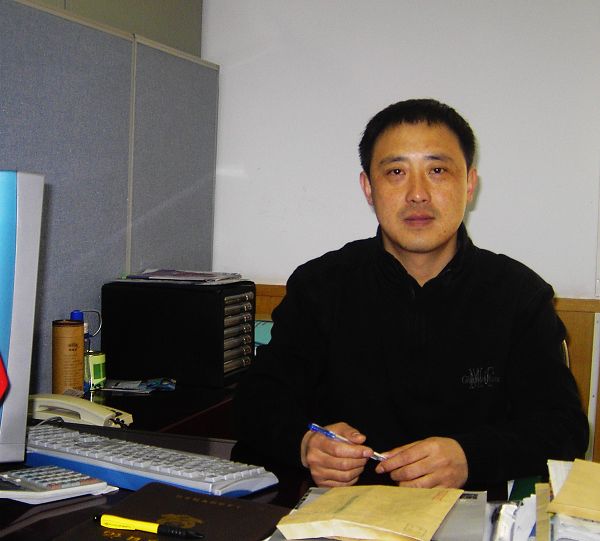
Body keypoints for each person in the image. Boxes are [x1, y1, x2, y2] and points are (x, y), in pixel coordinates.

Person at [233, 98, 589, 495]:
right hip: (338, 511)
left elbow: (564, 429)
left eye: (437, 170)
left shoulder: (519, 295)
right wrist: (305, 444)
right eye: (396, 172)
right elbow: (257, 401)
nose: (418, 194)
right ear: (368, 187)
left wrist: (470, 456)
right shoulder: (321, 285)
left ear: (469, 184)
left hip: (471, 512)